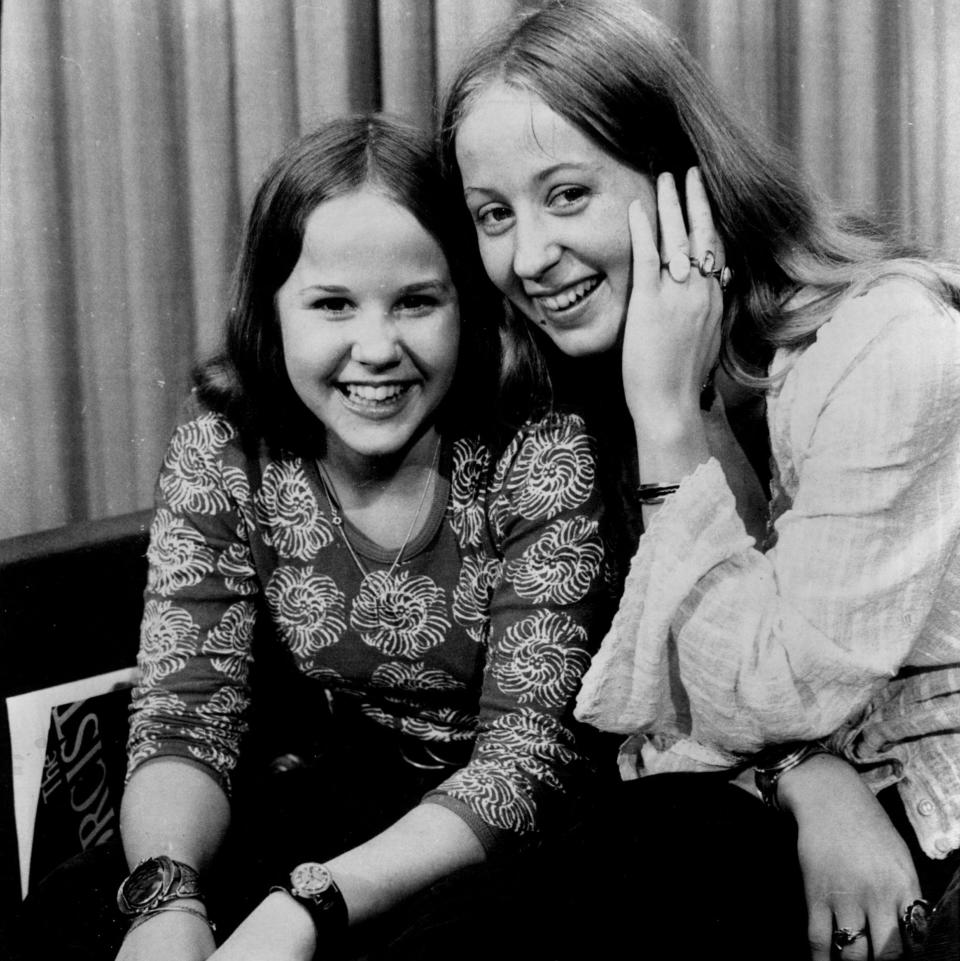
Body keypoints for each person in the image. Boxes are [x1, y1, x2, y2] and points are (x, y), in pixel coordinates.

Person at [13, 114, 613, 961]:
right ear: (272, 310)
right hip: (347, 782)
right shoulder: (227, 443)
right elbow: (187, 714)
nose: (377, 349)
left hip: (518, 821)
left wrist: (307, 907)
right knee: (67, 920)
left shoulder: (538, 445)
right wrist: (168, 897)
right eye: (332, 304)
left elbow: (526, 760)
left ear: (468, 307)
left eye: (417, 301)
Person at [440, 2, 960, 958]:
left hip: (928, 801)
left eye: (566, 195)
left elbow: (781, 689)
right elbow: (655, 709)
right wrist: (805, 776)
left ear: (680, 175)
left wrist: (673, 420)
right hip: (782, 782)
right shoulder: (607, 368)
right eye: (494, 215)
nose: (527, 256)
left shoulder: (894, 339)